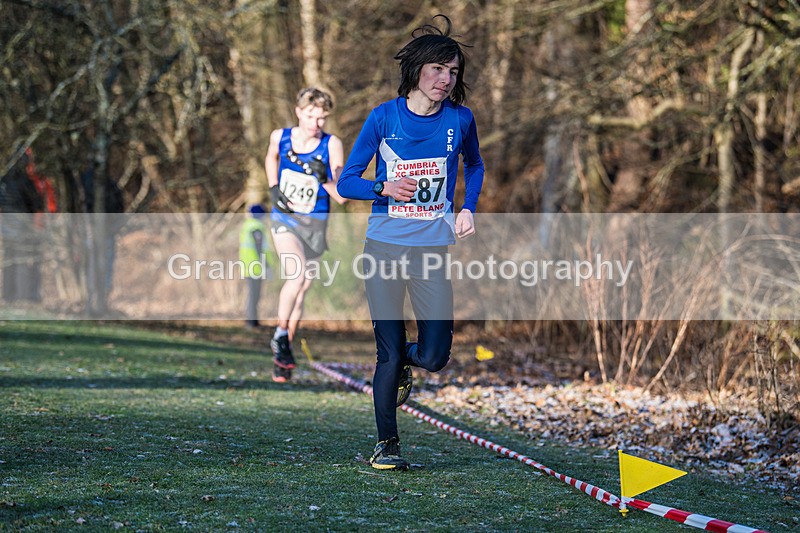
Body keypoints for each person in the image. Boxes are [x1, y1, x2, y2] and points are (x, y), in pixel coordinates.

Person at [337, 15, 485, 470]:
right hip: (383, 246)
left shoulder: (460, 120)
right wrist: (381, 188)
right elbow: (346, 182)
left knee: (436, 355)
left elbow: (475, 166)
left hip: (431, 250)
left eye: (454, 72)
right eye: (439, 69)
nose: (446, 79)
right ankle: (387, 445)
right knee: (387, 350)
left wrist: (468, 206)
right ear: (418, 70)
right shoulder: (383, 117)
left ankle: (404, 361)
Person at [265, 87, 347, 383]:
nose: (317, 124)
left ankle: (282, 357)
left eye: (322, 118)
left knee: (303, 288)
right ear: (299, 111)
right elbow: (271, 157)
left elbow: (342, 196)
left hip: (315, 225)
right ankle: (278, 336)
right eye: (311, 116)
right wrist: (274, 187)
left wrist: (324, 177)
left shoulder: (331, 144)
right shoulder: (280, 136)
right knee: (296, 276)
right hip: (285, 220)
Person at [239, 203, 272, 330]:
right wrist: (266, 266)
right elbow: (259, 248)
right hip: (256, 267)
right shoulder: (256, 227)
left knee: (254, 295)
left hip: (249, 266)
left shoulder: (248, 225)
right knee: (254, 295)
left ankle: (253, 321)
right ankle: (251, 322)